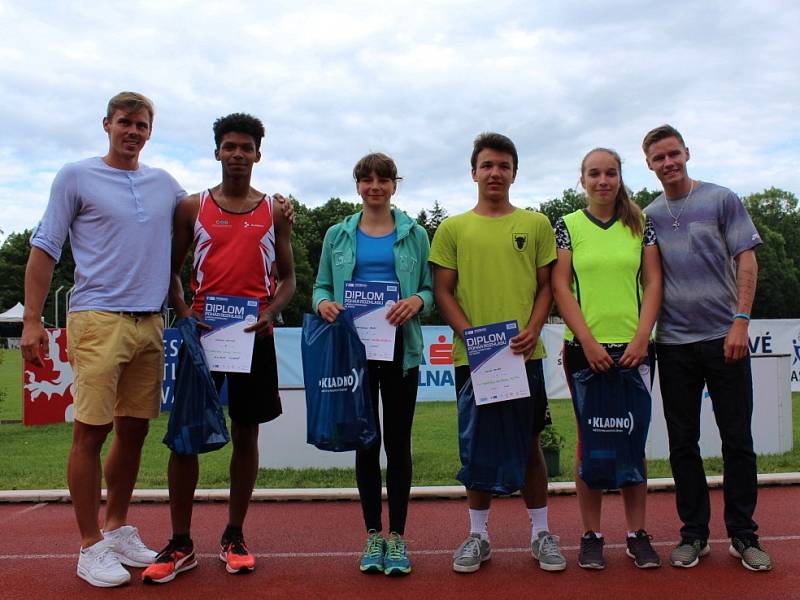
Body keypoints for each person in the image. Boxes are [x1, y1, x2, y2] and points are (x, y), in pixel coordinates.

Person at [21, 92, 186, 587]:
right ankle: (89, 544)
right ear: (107, 125)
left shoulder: (165, 184)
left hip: (150, 322)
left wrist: (276, 207)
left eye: (141, 125)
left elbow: (212, 213)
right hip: (96, 318)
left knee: (134, 431)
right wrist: (32, 320)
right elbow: (45, 246)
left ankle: (115, 526)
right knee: (90, 432)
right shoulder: (75, 175)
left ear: (150, 132)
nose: (133, 131)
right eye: (125, 122)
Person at [142, 113, 296, 583]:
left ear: (257, 155)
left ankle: (234, 534)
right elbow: (169, 269)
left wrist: (270, 313)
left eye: (245, 147)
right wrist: (185, 313)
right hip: (204, 336)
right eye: (229, 146)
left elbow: (288, 279)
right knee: (185, 437)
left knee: (247, 433)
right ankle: (181, 541)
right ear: (217, 153)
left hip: (255, 336)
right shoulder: (192, 206)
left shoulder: (274, 210)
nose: (237, 154)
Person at [429, 132, 565, 573]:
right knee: (477, 448)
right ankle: (477, 535)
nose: (495, 172)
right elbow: (443, 291)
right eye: (487, 165)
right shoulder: (452, 228)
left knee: (529, 444)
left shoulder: (537, 223)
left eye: (503, 165)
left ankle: (541, 533)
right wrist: (470, 335)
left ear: (514, 173)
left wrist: (532, 329)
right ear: (474, 172)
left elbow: (547, 287)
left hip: (526, 356)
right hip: (474, 359)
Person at [641, 124, 771, 571]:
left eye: (674, 154)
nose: (668, 163)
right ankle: (694, 535)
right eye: (659, 158)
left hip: (724, 338)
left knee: (738, 440)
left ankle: (743, 535)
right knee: (683, 444)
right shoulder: (648, 216)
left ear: (687, 153)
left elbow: (747, 259)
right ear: (649, 165)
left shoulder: (721, 198)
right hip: (674, 345)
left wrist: (741, 320)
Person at [312, 153, 433, 576]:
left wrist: (417, 301)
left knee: (397, 445)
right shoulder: (337, 235)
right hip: (355, 352)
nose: (375, 186)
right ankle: (372, 536)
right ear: (358, 185)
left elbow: (430, 290)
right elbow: (322, 286)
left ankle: (397, 537)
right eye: (367, 179)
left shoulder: (415, 233)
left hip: (401, 352)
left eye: (383, 179)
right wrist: (324, 302)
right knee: (366, 442)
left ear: (394, 185)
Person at [551, 148, 663, 569]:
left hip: (636, 350)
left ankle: (637, 534)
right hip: (585, 351)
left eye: (610, 173)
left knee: (632, 441)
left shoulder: (642, 225)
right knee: (591, 442)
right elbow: (561, 288)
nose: (603, 181)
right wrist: (589, 341)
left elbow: (653, 283)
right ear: (582, 180)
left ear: (620, 177)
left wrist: (640, 337)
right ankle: (591, 534)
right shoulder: (567, 226)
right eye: (594, 174)